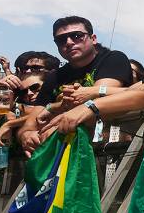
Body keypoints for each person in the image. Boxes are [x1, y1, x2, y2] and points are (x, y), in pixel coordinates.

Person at [16, 15, 133, 155]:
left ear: (93, 38)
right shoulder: (54, 77)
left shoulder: (112, 59)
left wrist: (53, 114)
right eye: (61, 39)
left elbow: (95, 106)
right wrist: (26, 136)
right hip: (63, 157)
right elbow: (30, 123)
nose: (69, 42)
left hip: (108, 154)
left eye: (77, 36)